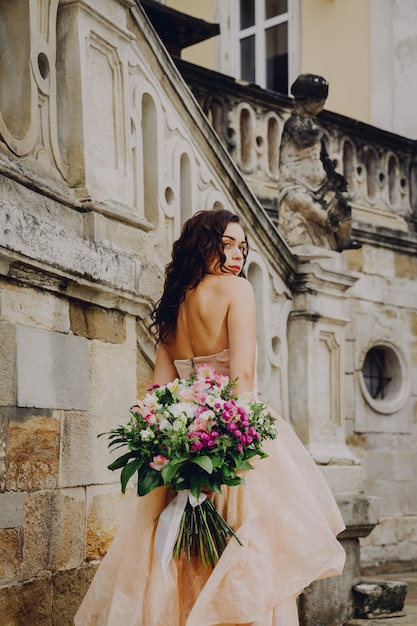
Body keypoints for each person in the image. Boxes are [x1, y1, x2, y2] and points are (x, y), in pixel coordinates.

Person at [74, 209, 346, 626]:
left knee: (179, 559)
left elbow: (159, 391)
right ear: (205, 245)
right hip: (228, 434)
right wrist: (228, 434)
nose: (238, 255)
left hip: (182, 442)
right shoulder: (237, 291)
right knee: (247, 554)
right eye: (227, 244)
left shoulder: (174, 302)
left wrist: (171, 438)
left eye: (242, 246)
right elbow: (242, 377)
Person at [278, 73, 360, 252]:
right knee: (309, 208)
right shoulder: (294, 123)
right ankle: (328, 224)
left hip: (319, 184)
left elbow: (323, 157)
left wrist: (334, 176)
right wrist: (318, 132)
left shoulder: (314, 124)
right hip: (296, 184)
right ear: (304, 100)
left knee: (343, 208)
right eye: (319, 101)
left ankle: (343, 238)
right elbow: (303, 138)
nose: (322, 105)